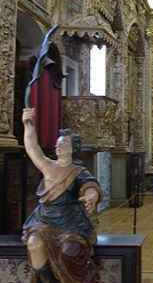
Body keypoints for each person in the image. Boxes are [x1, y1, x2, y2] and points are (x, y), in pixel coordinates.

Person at [22, 108, 102, 283]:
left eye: (64, 144)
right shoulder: (47, 165)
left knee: (69, 249)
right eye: (58, 143)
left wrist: (91, 196)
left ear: (73, 149)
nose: (59, 146)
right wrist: (28, 124)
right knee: (34, 243)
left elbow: (90, 186)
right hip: (45, 219)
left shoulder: (78, 171)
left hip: (71, 221)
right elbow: (32, 147)